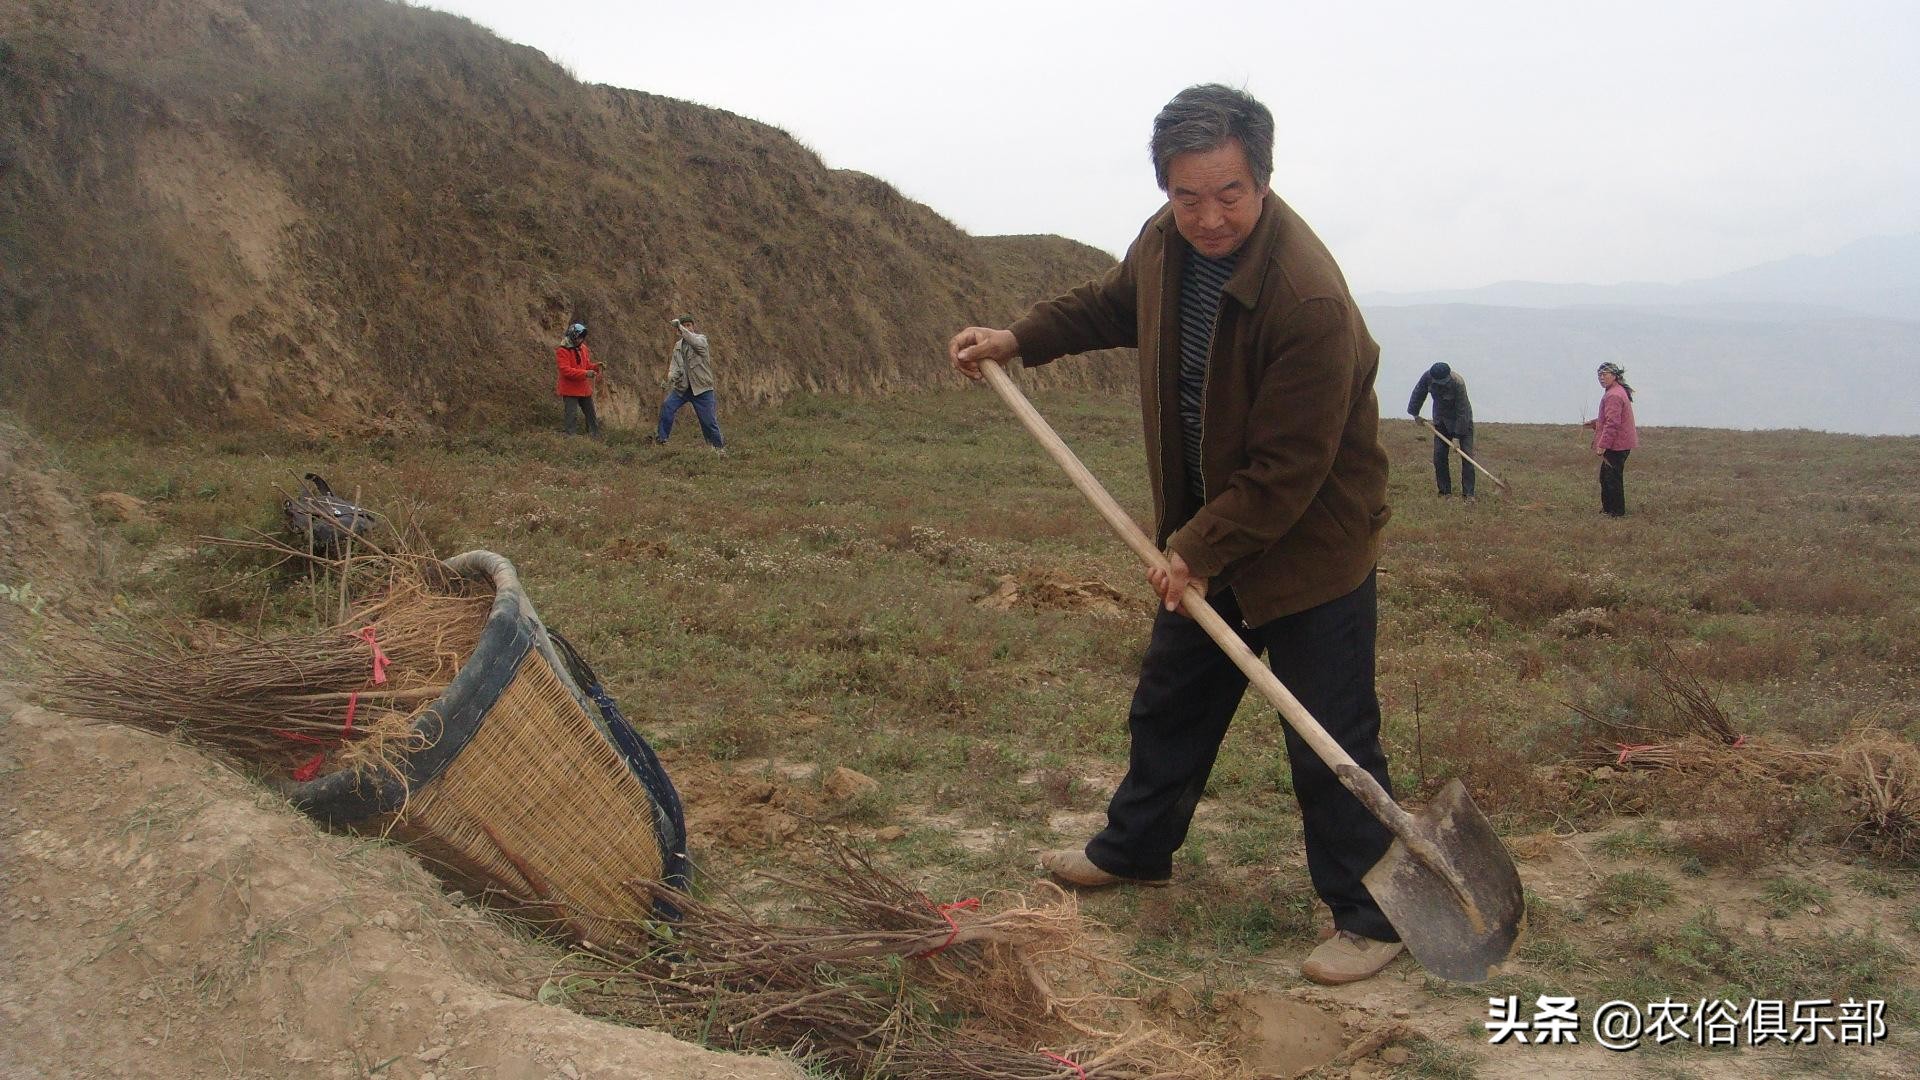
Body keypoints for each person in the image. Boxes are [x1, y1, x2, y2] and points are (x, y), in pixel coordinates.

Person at [948, 84, 1400, 986]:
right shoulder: (1166, 245)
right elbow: (1115, 305)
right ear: (1165, 187)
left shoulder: (1305, 300)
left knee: (1328, 736)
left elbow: (1288, 471)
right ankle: (1135, 849)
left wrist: (1196, 548)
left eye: (1228, 193)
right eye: (1187, 195)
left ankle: (1372, 915)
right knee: (1171, 702)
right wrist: (1019, 338)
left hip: (1308, 546)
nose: (1208, 216)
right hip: (1207, 531)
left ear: (1262, 180)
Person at [655, 315, 726, 453]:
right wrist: (668, 380)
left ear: (694, 327)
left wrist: (680, 328)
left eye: (689, 325)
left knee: (708, 422)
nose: (687, 327)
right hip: (683, 388)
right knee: (667, 406)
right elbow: (675, 367)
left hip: (702, 389)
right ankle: (662, 439)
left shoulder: (701, 340)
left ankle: (718, 448)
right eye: (684, 325)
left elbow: (693, 341)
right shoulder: (677, 346)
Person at [1407, 361, 1475, 498]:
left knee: (1467, 458)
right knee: (1439, 457)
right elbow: (1418, 392)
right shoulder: (1428, 377)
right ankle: (1445, 492)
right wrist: (1415, 413)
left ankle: (1468, 494)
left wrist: (1456, 436)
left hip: (1462, 422)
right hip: (1441, 421)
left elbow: (1463, 411)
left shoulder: (1458, 383)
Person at [1583, 362, 1638, 516]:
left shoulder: (1613, 394)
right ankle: (1609, 510)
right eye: (1599, 375)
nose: (1601, 378)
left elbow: (1613, 423)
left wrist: (1602, 445)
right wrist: (1595, 423)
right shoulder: (1616, 391)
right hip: (1619, 444)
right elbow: (1610, 419)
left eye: (1604, 374)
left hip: (1617, 445)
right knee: (1606, 477)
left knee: (1611, 479)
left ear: (1614, 376)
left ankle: (1616, 513)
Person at [554, 321, 600, 436]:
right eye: (579, 337)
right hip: (570, 390)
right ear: (573, 336)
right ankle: (571, 438)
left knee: (591, 415)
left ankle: (595, 436)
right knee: (571, 416)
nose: (581, 340)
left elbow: (586, 365)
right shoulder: (562, 350)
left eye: (582, 338)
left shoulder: (583, 348)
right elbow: (566, 371)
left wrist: (596, 367)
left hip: (583, 388)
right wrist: (585, 373)